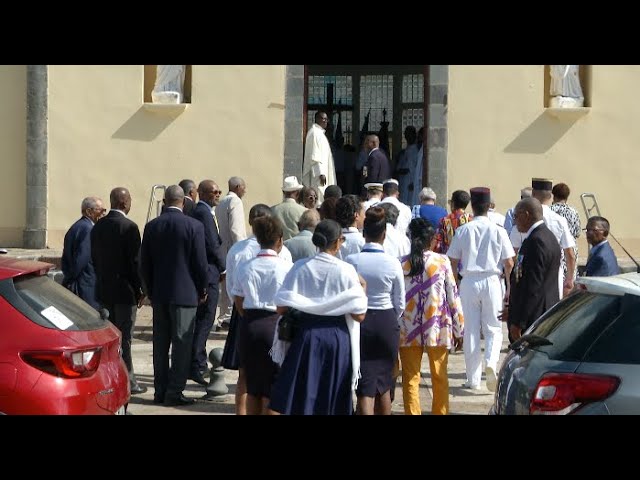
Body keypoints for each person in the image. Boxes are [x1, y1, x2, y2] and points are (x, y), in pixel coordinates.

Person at [268, 220, 368, 415]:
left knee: (304, 395)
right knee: (332, 397)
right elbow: (359, 315)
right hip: (337, 338)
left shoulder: (300, 267)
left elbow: (281, 307)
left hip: (306, 337)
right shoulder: (346, 270)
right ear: (338, 242)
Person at [140, 185, 209, 406]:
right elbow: (200, 263)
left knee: (160, 345)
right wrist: (203, 289)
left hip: (160, 294)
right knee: (182, 344)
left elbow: (145, 263)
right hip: (186, 294)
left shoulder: (152, 226)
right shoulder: (194, 226)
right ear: (183, 201)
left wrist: (149, 290)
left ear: (164, 201)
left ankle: (160, 391)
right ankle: (174, 392)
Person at [221, 204, 293, 415]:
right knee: (274, 387)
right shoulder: (286, 266)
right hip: (275, 325)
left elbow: (238, 299)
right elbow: (288, 302)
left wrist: (250, 317)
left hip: (250, 324)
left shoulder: (246, 266)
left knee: (253, 386)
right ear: (279, 240)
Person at [447, 187, 515, 392]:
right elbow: (509, 263)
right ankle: (491, 363)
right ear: (489, 207)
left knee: (471, 331)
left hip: (468, 280)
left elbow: (452, 260)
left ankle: (473, 378)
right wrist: (510, 288)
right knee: (493, 328)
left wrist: (456, 282)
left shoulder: (463, 229)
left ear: (472, 207)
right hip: (493, 280)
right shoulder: (499, 230)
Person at [399, 218, 464, 415]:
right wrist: (459, 328)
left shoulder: (401, 263)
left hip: (407, 327)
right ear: (432, 240)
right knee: (440, 376)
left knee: (410, 378)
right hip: (437, 326)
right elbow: (453, 296)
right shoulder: (441, 261)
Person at [345, 207, 405, 415]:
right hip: (386, 321)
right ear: (384, 235)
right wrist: (391, 319)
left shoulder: (351, 261)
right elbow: (400, 303)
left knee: (365, 384)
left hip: (360, 322)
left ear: (364, 233)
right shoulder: (393, 263)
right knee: (384, 383)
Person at [90, 187, 146, 394]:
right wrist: (141, 288)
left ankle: (109, 378)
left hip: (104, 291)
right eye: (129, 200)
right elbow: (135, 263)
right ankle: (128, 379)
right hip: (125, 292)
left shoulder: (98, 226)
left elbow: (95, 259)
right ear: (124, 203)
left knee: (109, 338)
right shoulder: (129, 227)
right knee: (125, 338)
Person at [501, 198, 561, 341]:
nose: (514, 221)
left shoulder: (537, 241)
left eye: (516, 216)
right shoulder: (545, 236)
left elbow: (533, 287)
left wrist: (519, 322)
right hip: (539, 314)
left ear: (526, 215)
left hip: (534, 318)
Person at [510, 178, 576, 298]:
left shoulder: (523, 218)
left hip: (527, 272)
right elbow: (569, 253)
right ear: (550, 196)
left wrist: (515, 278)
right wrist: (570, 278)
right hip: (554, 271)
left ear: (533, 194)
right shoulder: (559, 220)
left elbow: (513, 253)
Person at [188, 180, 226, 386]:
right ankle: (197, 363)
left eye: (219, 191)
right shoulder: (203, 212)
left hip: (208, 272)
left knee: (203, 320)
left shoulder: (205, 212)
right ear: (202, 193)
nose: (218, 194)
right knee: (205, 320)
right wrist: (224, 267)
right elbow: (212, 244)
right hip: (210, 273)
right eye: (214, 192)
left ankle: (196, 361)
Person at [61, 196, 105, 310]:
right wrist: (71, 278)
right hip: (84, 286)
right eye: (100, 210)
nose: (103, 214)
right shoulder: (88, 229)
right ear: (89, 212)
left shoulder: (78, 226)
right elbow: (81, 259)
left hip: (79, 283)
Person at [216, 176, 248, 326]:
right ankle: (228, 318)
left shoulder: (221, 201)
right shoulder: (235, 201)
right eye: (244, 187)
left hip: (223, 247)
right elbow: (236, 229)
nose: (245, 191)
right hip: (233, 247)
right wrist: (242, 248)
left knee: (226, 285)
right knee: (234, 283)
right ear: (237, 187)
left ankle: (223, 316)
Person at [302, 111, 336, 205]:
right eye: (323, 119)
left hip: (322, 172)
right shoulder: (314, 133)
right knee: (319, 195)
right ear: (317, 119)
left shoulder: (320, 133)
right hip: (317, 174)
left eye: (326, 119)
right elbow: (314, 155)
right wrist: (320, 173)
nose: (325, 121)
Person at [551, 182, 581, 282]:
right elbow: (577, 232)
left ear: (553, 195)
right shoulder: (574, 212)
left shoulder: (549, 210)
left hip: (555, 248)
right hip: (571, 248)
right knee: (570, 279)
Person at [434, 190, 473, 255]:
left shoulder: (445, 220)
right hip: (466, 259)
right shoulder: (471, 220)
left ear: (453, 203)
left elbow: (437, 244)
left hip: (448, 259)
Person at [271, 176, 307, 241]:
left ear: (284, 193)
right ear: (298, 193)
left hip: (278, 248)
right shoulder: (304, 211)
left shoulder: (272, 210)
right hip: (297, 247)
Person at [336, 194, 365, 260]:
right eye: (364, 213)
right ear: (356, 215)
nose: (365, 217)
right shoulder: (362, 242)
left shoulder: (332, 241)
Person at [395, 126, 418, 205]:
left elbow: (414, 167)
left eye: (409, 134)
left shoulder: (415, 150)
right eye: (406, 134)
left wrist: (413, 182)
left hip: (409, 181)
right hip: (403, 180)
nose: (407, 136)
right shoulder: (406, 150)